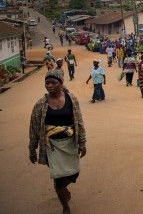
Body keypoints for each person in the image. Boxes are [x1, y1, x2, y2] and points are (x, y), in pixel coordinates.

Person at [29, 69, 86, 214]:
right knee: (59, 179)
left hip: (69, 143)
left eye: (53, 82)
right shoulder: (40, 104)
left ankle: (65, 189)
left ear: (61, 83)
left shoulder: (71, 99)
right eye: (47, 83)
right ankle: (65, 206)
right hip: (51, 147)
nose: (50, 86)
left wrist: (82, 143)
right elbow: (34, 128)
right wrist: (32, 149)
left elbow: (78, 121)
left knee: (74, 172)